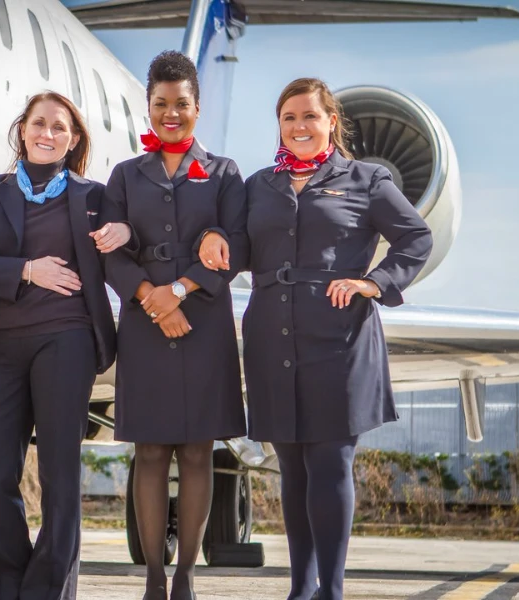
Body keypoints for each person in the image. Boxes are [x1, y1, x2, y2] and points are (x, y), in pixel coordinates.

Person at [242, 77, 433, 600]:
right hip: (271, 337)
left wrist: (375, 281)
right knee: (292, 467)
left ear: (331, 121)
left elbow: (416, 236)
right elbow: (235, 246)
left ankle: (332, 591)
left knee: (329, 461)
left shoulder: (365, 179)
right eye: (288, 118)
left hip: (339, 337)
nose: (299, 127)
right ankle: (300, 589)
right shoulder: (259, 185)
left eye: (309, 116)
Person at [0, 91, 117, 600]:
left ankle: (48, 591)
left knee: (59, 476)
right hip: (1, 341)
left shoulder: (95, 196)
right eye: (39, 123)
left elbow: (129, 247)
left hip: (67, 340)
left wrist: (127, 228)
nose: (47, 133)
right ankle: (5, 588)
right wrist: (24, 268)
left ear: (73, 140)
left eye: (59, 127)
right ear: (22, 129)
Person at [99, 51, 248, 600]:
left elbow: (240, 244)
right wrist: (150, 297)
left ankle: (185, 575)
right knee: (151, 452)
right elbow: (110, 255)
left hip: (204, 319)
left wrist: (179, 290)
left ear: (197, 108)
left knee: (195, 450)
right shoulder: (123, 175)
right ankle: (154, 577)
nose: (170, 114)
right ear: (148, 107)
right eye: (160, 104)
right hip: (143, 323)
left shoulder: (226, 173)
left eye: (180, 104)